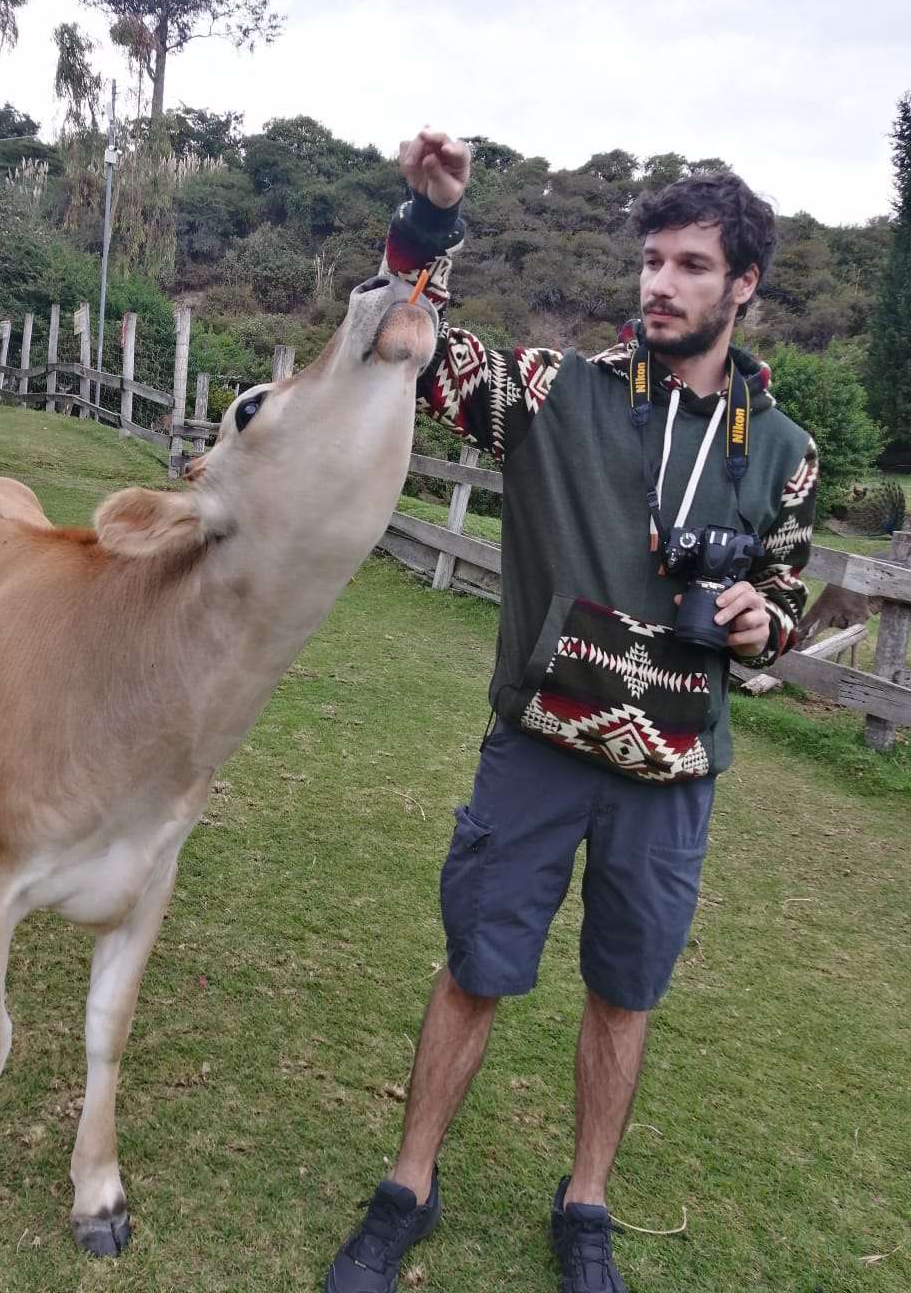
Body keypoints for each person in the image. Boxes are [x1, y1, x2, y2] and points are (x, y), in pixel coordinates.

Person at [324, 131, 819, 1293]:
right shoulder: (555, 393)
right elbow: (403, 340)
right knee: (477, 965)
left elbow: (789, 595)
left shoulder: (783, 452)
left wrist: (763, 622)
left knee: (626, 988)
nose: (660, 283)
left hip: (672, 775)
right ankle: (409, 1183)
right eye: (652, 260)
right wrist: (428, 222)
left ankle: (585, 1203)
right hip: (539, 747)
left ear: (743, 284)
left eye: (693, 264)